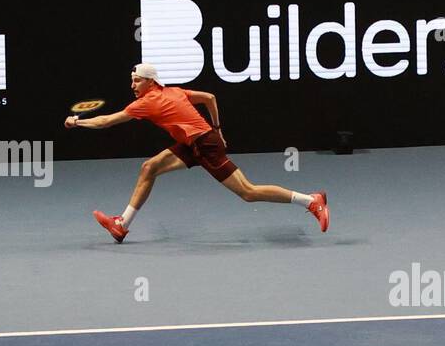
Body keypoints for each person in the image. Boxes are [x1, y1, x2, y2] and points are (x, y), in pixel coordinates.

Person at [67, 64, 330, 243]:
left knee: (248, 192)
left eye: (137, 80)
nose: (132, 85)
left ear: (150, 81)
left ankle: (311, 201)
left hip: (204, 145)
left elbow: (107, 121)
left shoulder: (145, 103)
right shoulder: (175, 91)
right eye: (132, 81)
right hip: (196, 142)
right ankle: (122, 224)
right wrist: (217, 128)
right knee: (150, 168)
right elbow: (211, 98)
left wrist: (77, 122)